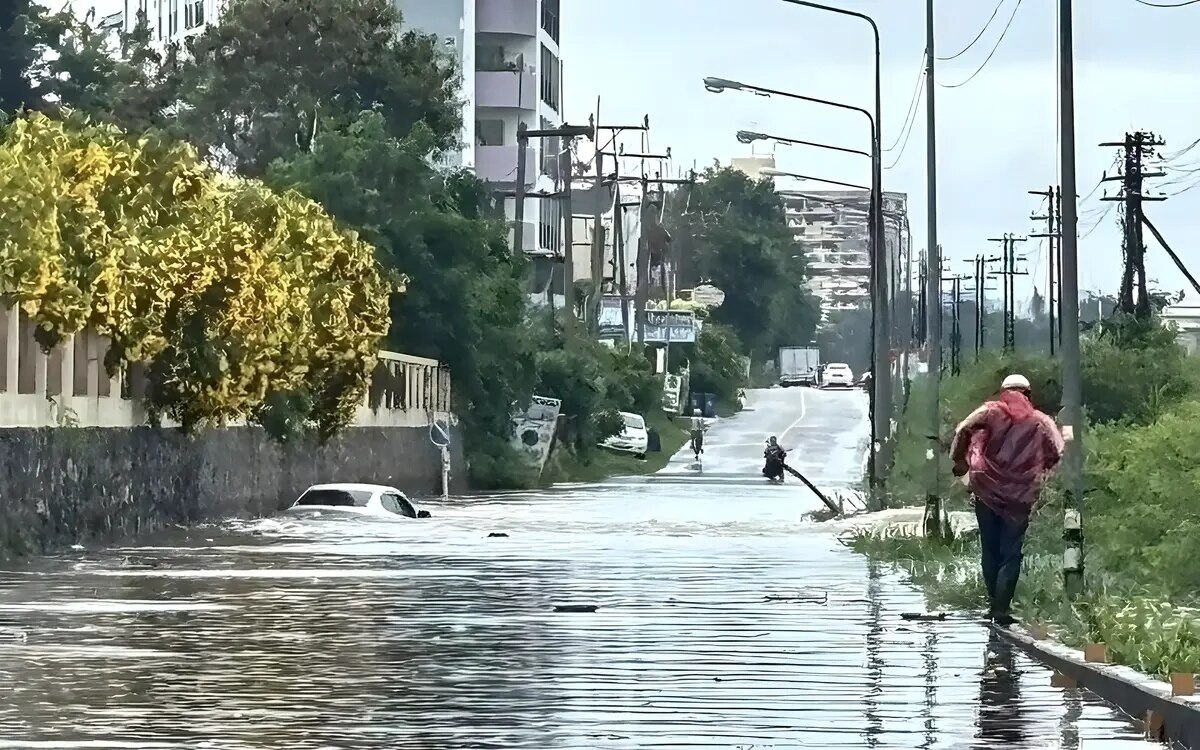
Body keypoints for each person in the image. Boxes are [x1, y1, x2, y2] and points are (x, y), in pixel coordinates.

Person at [949, 374, 1065, 626]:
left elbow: (962, 429)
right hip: (1021, 496)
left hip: (986, 492)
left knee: (990, 549)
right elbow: (1057, 450)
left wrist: (958, 460)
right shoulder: (1041, 422)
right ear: (1029, 394)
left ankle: (993, 604)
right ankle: (1001, 609)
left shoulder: (989, 412)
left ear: (1002, 392)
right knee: (1011, 551)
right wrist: (1043, 470)